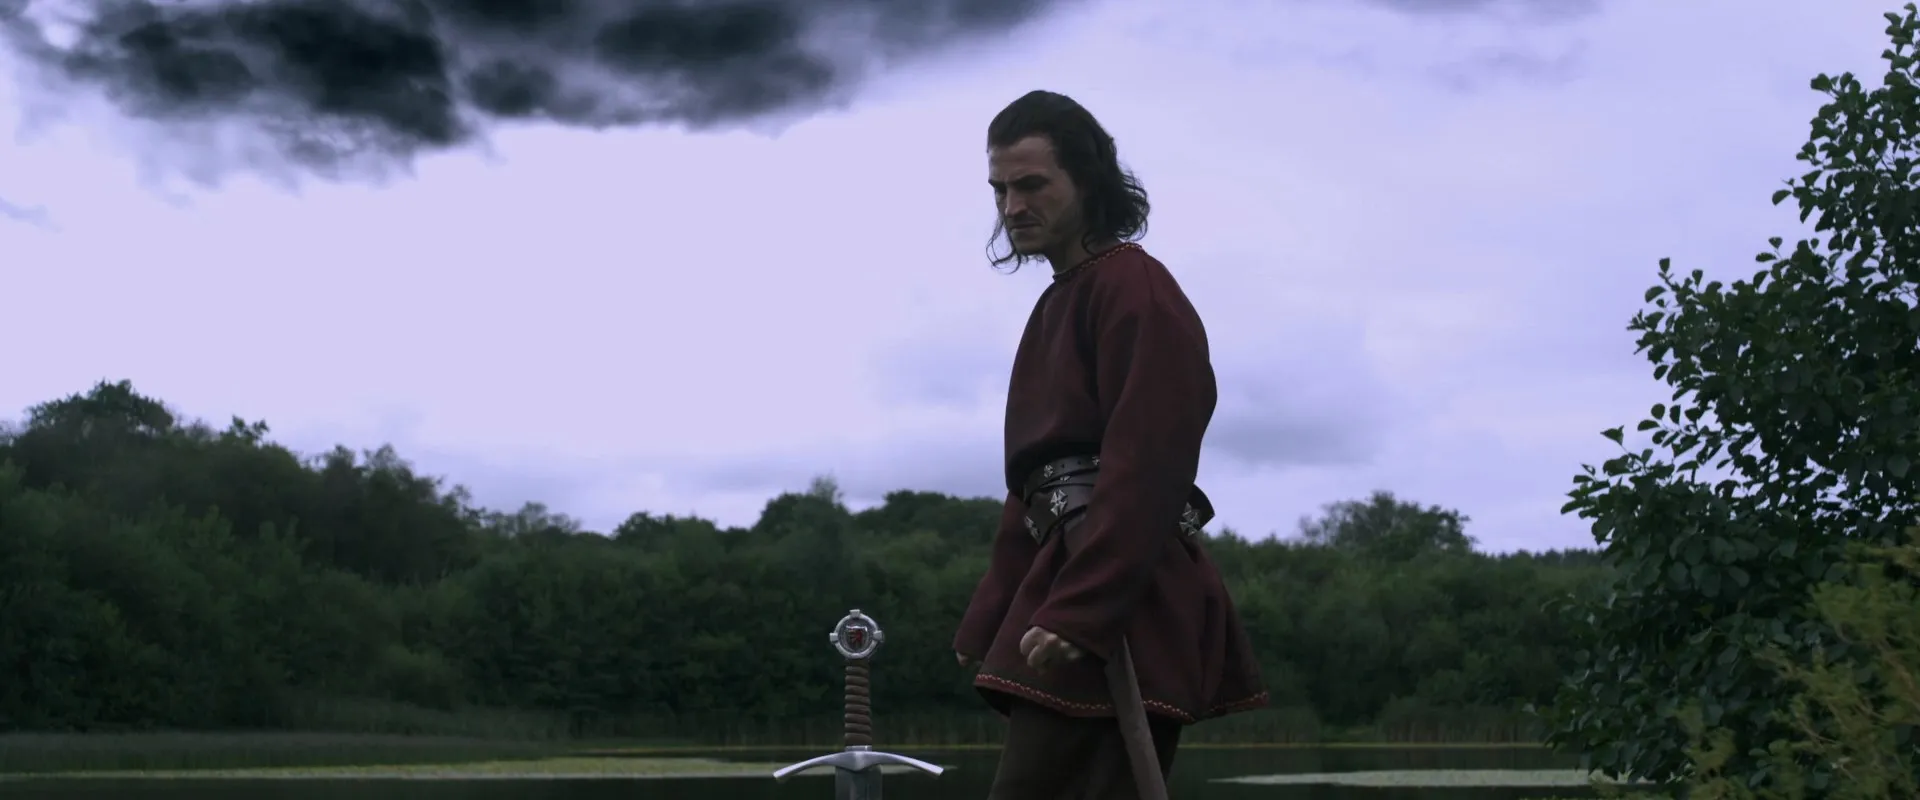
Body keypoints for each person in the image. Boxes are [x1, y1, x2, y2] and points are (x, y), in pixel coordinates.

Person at [952, 89, 1269, 800]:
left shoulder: (1135, 288)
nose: (1011, 207)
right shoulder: (1060, 298)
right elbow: (1037, 483)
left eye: (1032, 185)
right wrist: (997, 604)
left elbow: (1149, 464)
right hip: (1077, 582)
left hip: (1129, 600)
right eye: (1000, 190)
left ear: (1089, 181)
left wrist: (1084, 610)